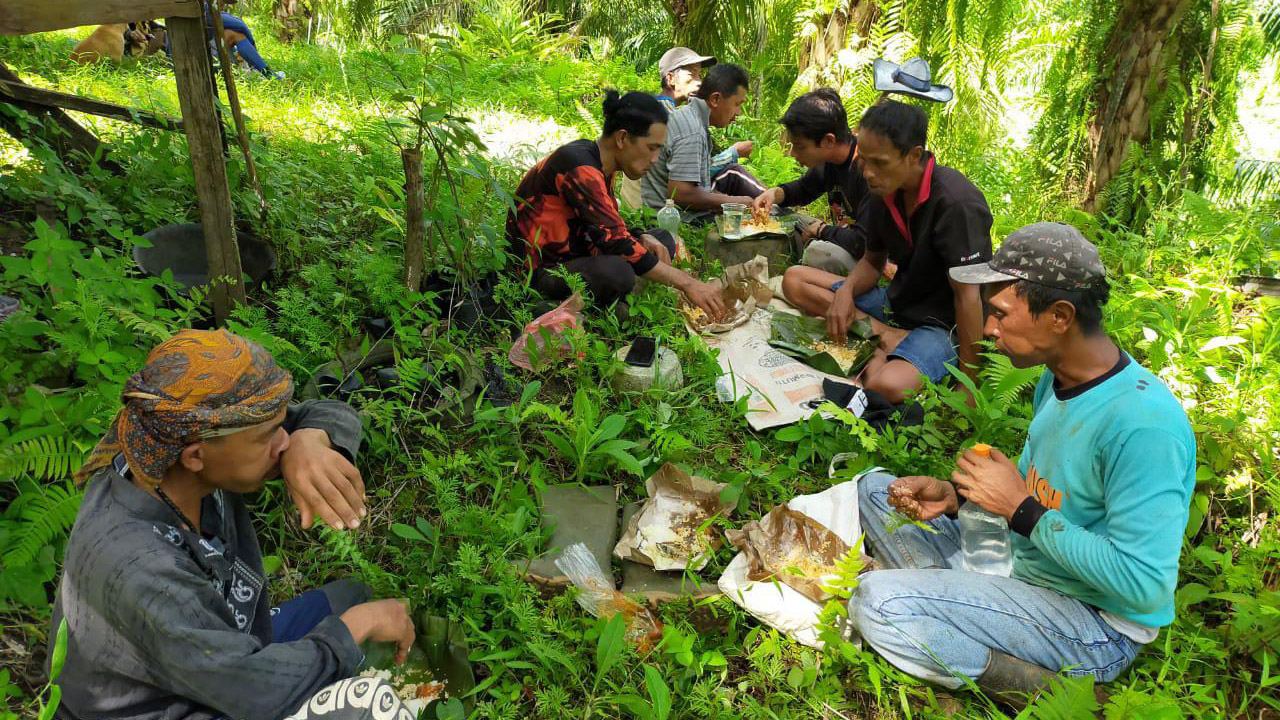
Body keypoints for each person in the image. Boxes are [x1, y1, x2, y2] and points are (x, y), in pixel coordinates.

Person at [850, 223, 1195, 706]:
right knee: (872, 489)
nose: (989, 329)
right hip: (1023, 566)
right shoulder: (1052, 380)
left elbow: (1143, 585)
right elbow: (1046, 493)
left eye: (1000, 314)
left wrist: (1020, 510)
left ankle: (1037, 685)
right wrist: (958, 499)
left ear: (1059, 316)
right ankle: (947, 598)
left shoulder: (1144, 426)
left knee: (876, 604)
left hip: (1091, 621)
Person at [50, 329, 419, 720]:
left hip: (218, 657)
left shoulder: (165, 451)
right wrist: (351, 631)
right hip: (180, 704)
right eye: (269, 437)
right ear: (195, 455)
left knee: (354, 599)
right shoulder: (140, 567)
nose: (283, 442)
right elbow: (256, 693)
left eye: (282, 427)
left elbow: (328, 413)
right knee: (367, 706)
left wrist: (311, 439)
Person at [781, 100, 991, 403]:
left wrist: (969, 385)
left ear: (914, 155)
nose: (867, 173)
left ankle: (879, 346)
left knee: (887, 386)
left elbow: (968, 297)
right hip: (897, 304)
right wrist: (846, 292)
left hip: (941, 324)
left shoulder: (957, 203)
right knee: (794, 280)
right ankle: (885, 336)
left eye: (879, 162)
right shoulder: (884, 192)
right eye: (864, 160)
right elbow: (872, 261)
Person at [507, 91, 726, 318]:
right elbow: (615, 241)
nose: (655, 159)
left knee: (659, 238)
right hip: (541, 272)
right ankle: (553, 306)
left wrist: (640, 235)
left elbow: (603, 228)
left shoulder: (602, 165)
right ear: (622, 138)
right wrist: (688, 283)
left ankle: (616, 298)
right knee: (617, 272)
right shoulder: (579, 166)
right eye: (652, 148)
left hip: (579, 254)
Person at [752, 88, 872, 275]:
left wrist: (823, 230)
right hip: (843, 236)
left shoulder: (867, 171)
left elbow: (863, 242)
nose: (793, 154)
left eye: (800, 146)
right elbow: (804, 189)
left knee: (817, 253)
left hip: (871, 257)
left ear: (828, 141)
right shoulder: (831, 161)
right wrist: (774, 193)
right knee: (777, 213)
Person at [641, 63, 766, 214]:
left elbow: (697, 188)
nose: (738, 112)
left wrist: (727, 200)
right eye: (737, 104)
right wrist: (736, 202)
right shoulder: (692, 130)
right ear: (715, 99)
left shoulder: (693, 120)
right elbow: (682, 194)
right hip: (670, 220)